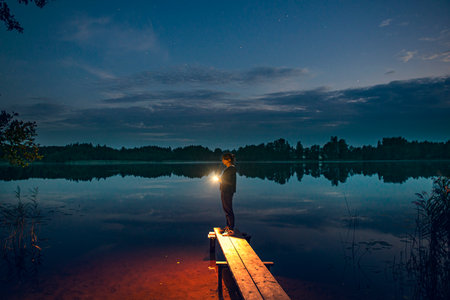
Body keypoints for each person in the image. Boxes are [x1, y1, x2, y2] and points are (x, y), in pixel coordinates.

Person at [219, 153, 237, 236]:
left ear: (229, 160)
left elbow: (227, 180)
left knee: (228, 209)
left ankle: (231, 229)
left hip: (228, 191)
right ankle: (228, 227)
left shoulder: (231, 169)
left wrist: (221, 180)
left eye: (224, 159)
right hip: (225, 190)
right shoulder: (229, 169)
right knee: (226, 209)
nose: (223, 160)